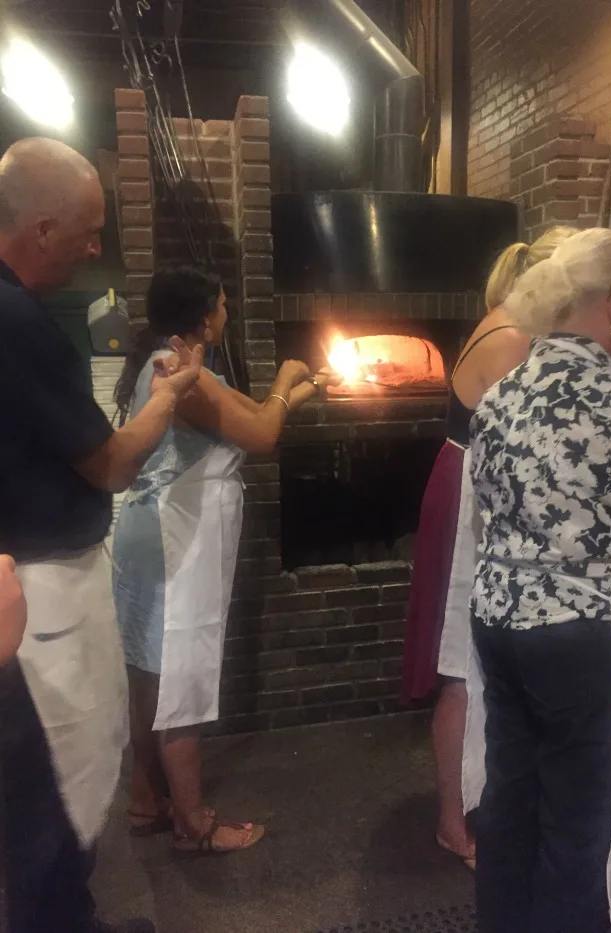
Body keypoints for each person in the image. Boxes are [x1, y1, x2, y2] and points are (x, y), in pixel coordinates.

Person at [468, 227, 611, 933]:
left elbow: (485, 506)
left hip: (499, 620)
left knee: (510, 802)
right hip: (580, 632)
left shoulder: (500, 394)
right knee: (579, 819)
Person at [0, 137, 203, 933]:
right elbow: (113, 463)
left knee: (48, 781)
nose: (95, 247)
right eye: (87, 230)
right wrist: (171, 393)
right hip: (42, 590)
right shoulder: (15, 321)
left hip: (28, 575)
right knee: (59, 784)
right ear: (41, 229)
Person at [112, 266, 338, 855]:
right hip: (173, 534)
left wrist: (297, 391)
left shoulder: (173, 364)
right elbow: (262, 435)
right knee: (181, 669)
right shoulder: (185, 375)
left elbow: (258, 411)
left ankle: (145, 798)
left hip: (150, 531)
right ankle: (193, 822)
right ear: (204, 316)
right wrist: (288, 380)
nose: (228, 308)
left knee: (150, 673)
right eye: (222, 301)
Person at [401, 226, 576, 868]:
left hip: (472, 489)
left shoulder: (508, 326)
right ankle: (453, 822)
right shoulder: (510, 339)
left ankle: (484, 803)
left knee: (475, 664)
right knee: (461, 667)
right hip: (472, 501)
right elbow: (528, 451)